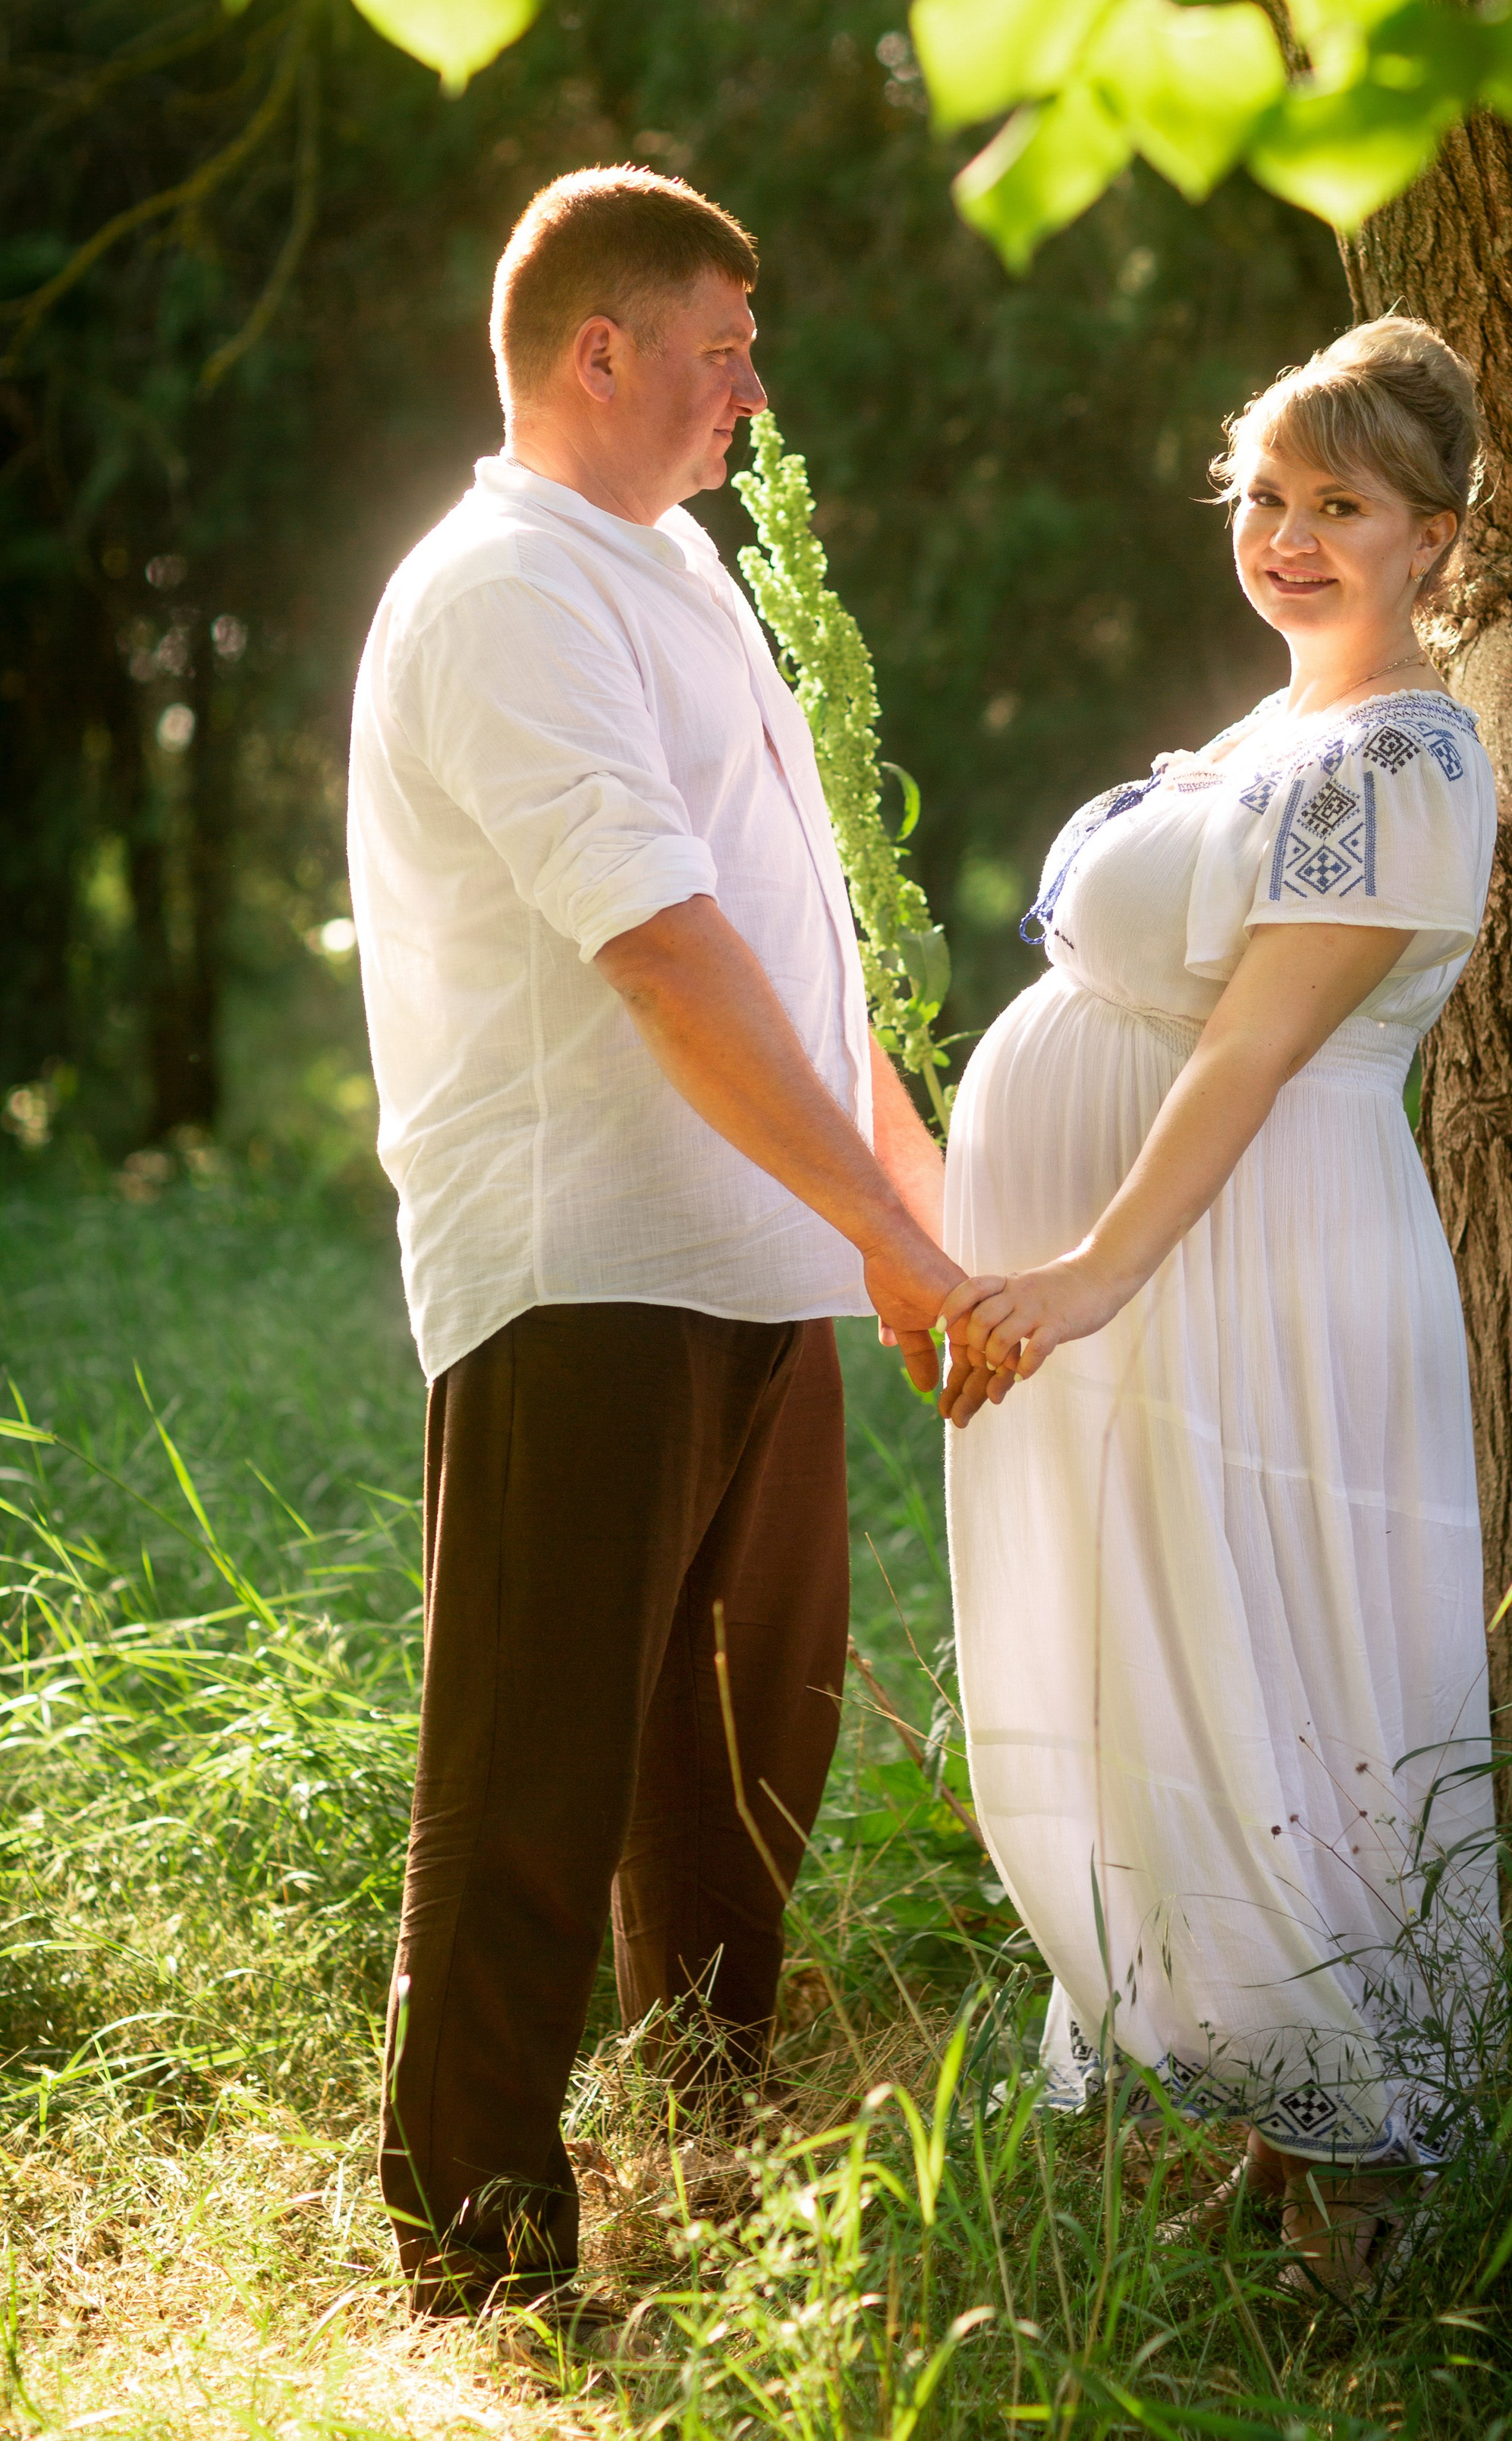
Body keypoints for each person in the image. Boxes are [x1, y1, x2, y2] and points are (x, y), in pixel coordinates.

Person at [347, 166, 978, 2320]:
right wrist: (892, 1223)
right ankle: (478, 2251)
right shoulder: (503, 588)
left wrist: (926, 1203)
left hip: (752, 1255)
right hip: (582, 1258)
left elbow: (795, 938)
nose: (749, 389)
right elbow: (669, 956)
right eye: (719, 347)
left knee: (741, 1755)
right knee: (533, 1762)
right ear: (595, 351)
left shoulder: (676, 563)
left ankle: (717, 2143)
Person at [938, 319, 1501, 2295]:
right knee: (1206, 1662)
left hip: (1263, 1255)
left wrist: (1089, 1268)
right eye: (1265, 496)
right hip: (1196, 1263)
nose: (1287, 535)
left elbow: (1254, 1053)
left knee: (1298, 1678)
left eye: (1340, 503)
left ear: (1435, 534)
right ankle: (1286, 2133)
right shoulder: (1269, 739)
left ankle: (1366, 2186)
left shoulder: (1404, 757)